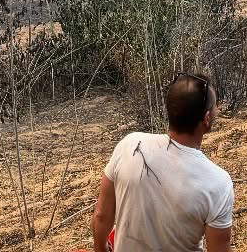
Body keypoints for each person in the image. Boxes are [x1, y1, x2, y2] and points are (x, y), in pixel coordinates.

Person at [92, 73, 234, 252]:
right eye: (214, 108)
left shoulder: (130, 144)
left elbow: (101, 216)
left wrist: (101, 249)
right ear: (206, 118)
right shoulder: (218, 182)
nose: (217, 111)